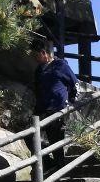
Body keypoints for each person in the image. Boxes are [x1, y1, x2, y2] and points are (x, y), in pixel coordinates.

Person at [33, 38, 78, 171]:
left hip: (57, 109)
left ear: (44, 53)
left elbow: (74, 84)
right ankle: (47, 162)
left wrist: (69, 102)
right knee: (31, 136)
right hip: (41, 109)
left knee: (56, 141)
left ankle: (59, 169)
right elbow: (37, 89)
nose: (34, 58)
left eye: (36, 55)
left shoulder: (61, 65)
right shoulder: (38, 70)